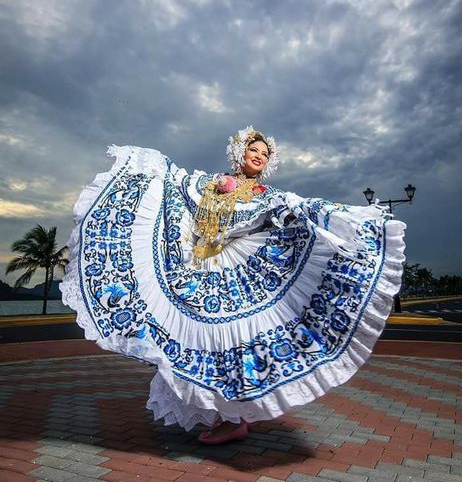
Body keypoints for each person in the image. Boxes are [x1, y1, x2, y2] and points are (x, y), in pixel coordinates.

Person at [60, 126, 406, 445]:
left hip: (243, 270)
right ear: (239, 152)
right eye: (253, 150)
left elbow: (291, 208)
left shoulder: (268, 194)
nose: (259, 156)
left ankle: (235, 417)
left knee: (238, 338)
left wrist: (339, 216)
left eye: (265, 154)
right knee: (203, 339)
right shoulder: (212, 183)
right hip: (202, 265)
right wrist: (155, 167)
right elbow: (182, 193)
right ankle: (223, 413)